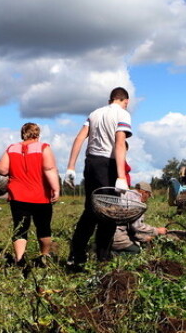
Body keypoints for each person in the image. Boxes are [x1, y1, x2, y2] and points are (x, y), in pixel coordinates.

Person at [65, 87, 132, 268]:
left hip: (91, 163)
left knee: (90, 210)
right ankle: (102, 257)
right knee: (109, 212)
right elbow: (119, 143)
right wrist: (121, 176)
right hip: (107, 165)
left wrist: (71, 167)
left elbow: (79, 139)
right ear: (126, 101)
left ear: (111, 99)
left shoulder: (94, 113)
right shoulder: (122, 114)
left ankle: (76, 254)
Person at [0, 123, 60, 266]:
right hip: (41, 196)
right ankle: (44, 257)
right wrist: (56, 189)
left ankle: (19, 259)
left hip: (18, 195)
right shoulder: (44, 147)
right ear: (37, 134)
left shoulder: (12, 148)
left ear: (22, 133)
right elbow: (49, 168)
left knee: (20, 228)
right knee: (43, 227)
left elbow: (1, 169)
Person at [112, 182, 167, 255]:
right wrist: (157, 231)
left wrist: (144, 238)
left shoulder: (126, 194)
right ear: (144, 192)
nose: (147, 199)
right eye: (148, 195)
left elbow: (131, 226)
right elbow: (137, 226)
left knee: (137, 242)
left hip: (107, 232)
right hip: (116, 236)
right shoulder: (136, 201)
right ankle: (112, 254)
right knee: (137, 251)